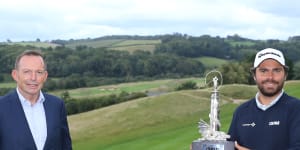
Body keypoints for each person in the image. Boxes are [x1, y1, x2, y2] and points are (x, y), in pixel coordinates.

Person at [228, 48, 300, 150]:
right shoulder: (241, 112)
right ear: (254, 75)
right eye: (263, 71)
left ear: (285, 75)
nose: (270, 77)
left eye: (276, 70)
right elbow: (230, 146)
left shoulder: (296, 109)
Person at [0, 50, 72, 150]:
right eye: (27, 72)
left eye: (39, 72)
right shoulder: (2, 107)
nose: (33, 78)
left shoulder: (57, 105)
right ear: (15, 75)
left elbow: (65, 145)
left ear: (45, 76)